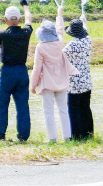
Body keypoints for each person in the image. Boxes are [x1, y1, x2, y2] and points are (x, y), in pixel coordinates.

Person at [30, 8, 78, 143]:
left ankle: (52, 138)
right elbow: (60, 29)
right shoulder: (60, 42)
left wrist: (33, 85)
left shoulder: (40, 47)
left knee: (48, 111)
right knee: (63, 110)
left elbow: (36, 68)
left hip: (47, 83)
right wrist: (59, 15)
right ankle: (67, 137)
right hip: (62, 80)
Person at [0, 0, 32, 141]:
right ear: (19, 19)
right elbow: (29, 19)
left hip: (7, 71)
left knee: (1, 104)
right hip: (22, 71)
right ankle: (23, 135)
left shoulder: (3, 34)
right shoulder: (26, 32)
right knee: (22, 106)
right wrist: (25, 6)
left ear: (5, 20)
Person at [63, 14, 94, 140]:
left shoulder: (71, 45)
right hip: (87, 80)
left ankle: (76, 135)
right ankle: (88, 133)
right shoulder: (88, 41)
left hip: (74, 82)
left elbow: (60, 57)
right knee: (86, 108)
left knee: (73, 110)